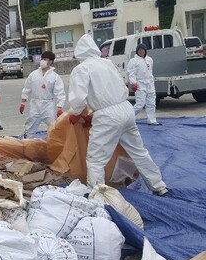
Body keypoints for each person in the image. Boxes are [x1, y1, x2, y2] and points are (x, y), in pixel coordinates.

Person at [67, 34, 169, 196]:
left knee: (96, 160)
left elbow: (78, 97)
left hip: (107, 116)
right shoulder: (108, 63)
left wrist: (75, 112)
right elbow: (120, 85)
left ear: (79, 52)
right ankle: (159, 186)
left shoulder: (82, 68)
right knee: (139, 152)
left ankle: (97, 197)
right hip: (125, 109)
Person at [19, 51, 66, 138]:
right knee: (30, 127)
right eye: (42, 59)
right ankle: (27, 146)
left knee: (53, 127)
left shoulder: (55, 77)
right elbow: (26, 89)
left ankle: (53, 145)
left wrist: (60, 107)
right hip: (35, 105)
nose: (42, 61)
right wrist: (23, 102)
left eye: (45, 59)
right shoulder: (33, 75)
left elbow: (60, 92)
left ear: (50, 61)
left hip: (48, 105)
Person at [127, 43, 161, 126]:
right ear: (137, 51)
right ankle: (128, 119)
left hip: (149, 84)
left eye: (143, 50)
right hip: (140, 84)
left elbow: (150, 71)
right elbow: (131, 73)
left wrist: (151, 81)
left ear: (145, 51)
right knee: (140, 104)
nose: (141, 52)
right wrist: (133, 82)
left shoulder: (149, 59)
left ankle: (152, 120)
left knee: (151, 103)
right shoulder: (133, 61)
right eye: (139, 50)